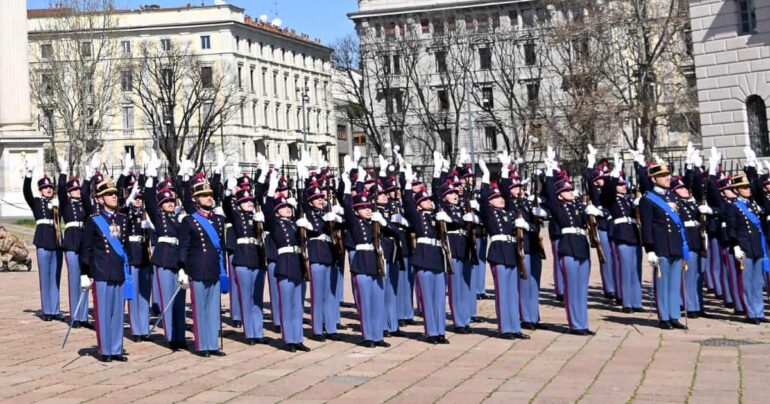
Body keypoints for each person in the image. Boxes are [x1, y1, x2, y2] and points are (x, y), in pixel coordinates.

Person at [542, 147, 599, 335]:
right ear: (560, 195)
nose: (571, 192)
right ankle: (575, 323)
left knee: (583, 290)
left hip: (582, 247)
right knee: (572, 289)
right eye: (567, 191)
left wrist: (593, 211)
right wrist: (549, 171)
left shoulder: (579, 206)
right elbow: (549, 194)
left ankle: (583, 323)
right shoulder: (558, 207)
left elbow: (595, 198)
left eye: (571, 190)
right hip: (568, 248)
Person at [478, 156, 529, 340]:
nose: (500, 199)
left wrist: (506, 171)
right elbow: (483, 198)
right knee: (502, 293)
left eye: (500, 197)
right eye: (496, 197)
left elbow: (508, 196)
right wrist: (485, 176)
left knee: (513, 293)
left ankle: (515, 327)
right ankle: (505, 328)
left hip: (511, 252)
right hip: (498, 252)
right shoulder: (489, 213)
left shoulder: (508, 213)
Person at [80, 177, 130, 362]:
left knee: (118, 313)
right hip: (101, 271)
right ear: (100, 199)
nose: (113, 197)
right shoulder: (93, 221)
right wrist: (84, 273)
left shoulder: (122, 219)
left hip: (118, 271)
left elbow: (124, 247)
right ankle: (105, 350)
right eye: (108, 194)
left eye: (115, 194)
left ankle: (117, 348)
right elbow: (86, 249)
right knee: (103, 312)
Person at [342, 156, 390, 348]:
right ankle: (368, 336)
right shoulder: (355, 223)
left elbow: (393, 234)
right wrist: (352, 182)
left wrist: (384, 222)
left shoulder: (375, 221)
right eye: (363, 208)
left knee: (378, 303)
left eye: (368, 207)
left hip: (376, 263)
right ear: (356, 211)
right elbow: (348, 205)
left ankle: (378, 335)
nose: (368, 210)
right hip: (362, 263)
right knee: (366, 304)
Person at [179, 173, 228, 357]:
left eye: (210, 194)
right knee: (200, 308)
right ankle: (202, 345)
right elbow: (184, 246)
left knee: (214, 308)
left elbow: (220, 247)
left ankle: (213, 344)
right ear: (196, 199)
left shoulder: (218, 220)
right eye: (204, 195)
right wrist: (182, 268)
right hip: (198, 269)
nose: (209, 197)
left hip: (214, 268)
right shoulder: (189, 220)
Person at [264, 162, 310, 352]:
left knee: (298, 305)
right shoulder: (276, 224)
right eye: (283, 208)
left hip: (298, 264)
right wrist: (271, 190)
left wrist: (302, 183)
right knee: (286, 304)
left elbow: (303, 205)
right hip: (285, 264)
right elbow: (267, 211)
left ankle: (298, 338)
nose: (288, 210)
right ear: (277, 211)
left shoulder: (295, 224)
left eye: (289, 208)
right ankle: (288, 339)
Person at [402, 155, 449, 344]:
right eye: (425, 200)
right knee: (428, 299)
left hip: (437, 257)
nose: (430, 202)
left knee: (439, 299)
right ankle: (431, 332)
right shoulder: (418, 216)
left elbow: (440, 196)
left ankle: (441, 331)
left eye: (430, 200)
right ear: (419, 203)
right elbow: (407, 201)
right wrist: (406, 181)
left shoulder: (437, 216)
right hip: (423, 257)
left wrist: (439, 173)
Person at [144, 154, 187, 351]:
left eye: (172, 201)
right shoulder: (159, 216)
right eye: (166, 202)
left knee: (179, 301)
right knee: (168, 301)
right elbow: (148, 199)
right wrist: (151, 176)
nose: (170, 204)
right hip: (162, 259)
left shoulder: (179, 219)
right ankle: (171, 337)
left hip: (177, 260)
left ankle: (180, 336)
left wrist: (185, 177)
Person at [639, 161, 688, 330]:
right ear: (654, 179)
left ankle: (675, 315)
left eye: (668, 175)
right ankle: (664, 316)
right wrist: (650, 249)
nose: (668, 178)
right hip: (660, 246)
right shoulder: (648, 200)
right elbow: (646, 226)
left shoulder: (672, 197)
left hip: (675, 245)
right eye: (662, 176)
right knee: (662, 283)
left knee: (675, 283)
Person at [223, 181, 269, 345]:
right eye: (245, 201)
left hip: (257, 258)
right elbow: (227, 206)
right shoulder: (237, 216)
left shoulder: (257, 217)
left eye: (250, 201)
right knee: (246, 297)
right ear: (239, 204)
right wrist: (228, 192)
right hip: (242, 259)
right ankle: (250, 333)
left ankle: (259, 331)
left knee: (257, 298)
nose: (249, 203)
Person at [23, 160, 63, 322]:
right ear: (40, 190)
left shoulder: (57, 204)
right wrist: (28, 176)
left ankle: (55, 309)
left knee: (55, 277)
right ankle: (47, 309)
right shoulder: (37, 202)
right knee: (45, 277)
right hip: (43, 240)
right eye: (45, 188)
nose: (48, 189)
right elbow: (26, 192)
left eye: (50, 188)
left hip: (56, 242)